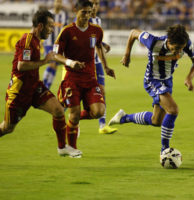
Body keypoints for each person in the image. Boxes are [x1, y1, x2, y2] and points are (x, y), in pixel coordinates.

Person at [0, 9, 81, 158]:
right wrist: (45, 61)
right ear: (40, 26)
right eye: (50, 26)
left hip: (34, 87)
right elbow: (21, 66)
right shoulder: (28, 40)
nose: (52, 30)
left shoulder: (37, 42)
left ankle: (62, 147)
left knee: (58, 109)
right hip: (19, 92)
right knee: (7, 128)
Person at [108, 24, 194, 156]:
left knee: (156, 121)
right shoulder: (153, 42)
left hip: (167, 82)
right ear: (169, 42)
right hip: (152, 80)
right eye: (177, 48)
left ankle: (124, 118)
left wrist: (189, 78)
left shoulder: (186, 44)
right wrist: (127, 54)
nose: (180, 51)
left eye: (182, 48)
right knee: (173, 110)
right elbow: (134, 32)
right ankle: (165, 151)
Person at [54, 0, 116, 156]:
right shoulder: (67, 31)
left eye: (89, 12)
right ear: (76, 11)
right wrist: (70, 62)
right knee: (74, 113)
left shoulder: (96, 30)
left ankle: (72, 122)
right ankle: (72, 148)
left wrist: (106, 66)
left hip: (89, 78)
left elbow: (99, 48)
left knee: (99, 111)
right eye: (84, 12)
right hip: (71, 78)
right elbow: (55, 54)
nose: (87, 15)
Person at [80, 0, 118, 135]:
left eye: (97, 3)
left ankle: (102, 125)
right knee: (80, 94)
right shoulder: (83, 19)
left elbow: (95, 39)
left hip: (98, 62)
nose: (95, 6)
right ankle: (72, 117)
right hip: (86, 63)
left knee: (102, 92)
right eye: (93, 3)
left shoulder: (98, 20)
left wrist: (103, 44)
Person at [42, 0, 68, 89]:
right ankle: (44, 86)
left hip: (58, 45)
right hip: (48, 43)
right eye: (57, 1)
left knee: (55, 66)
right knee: (52, 63)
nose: (58, 3)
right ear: (54, 3)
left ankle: (45, 87)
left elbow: (65, 29)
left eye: (60, 2)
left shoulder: (64, 14)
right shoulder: (48, 13)